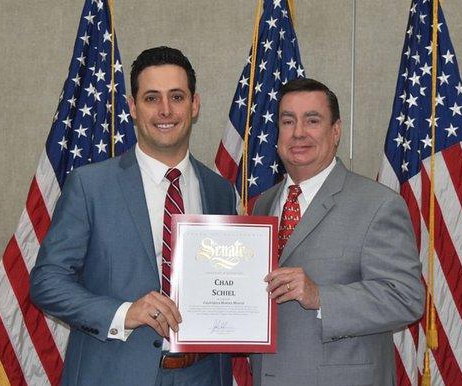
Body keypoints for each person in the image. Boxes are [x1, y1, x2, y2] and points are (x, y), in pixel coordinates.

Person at [30, 46, 235, 386]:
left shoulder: (220, 191)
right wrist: (125, 313)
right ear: (132, 108)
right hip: (115, 373)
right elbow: (46, 282)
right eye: (152, 98)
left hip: (204, 375)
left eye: (177, 97)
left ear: (194, 105)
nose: (165, 110)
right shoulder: (90, 185)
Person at [250, 78, 424, 385]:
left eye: (312, 120)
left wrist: (321, 297)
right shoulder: (264, 204)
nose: (299, 132)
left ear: (336, 131)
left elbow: (407, 297)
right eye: (288, 121)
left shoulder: (378, 205)